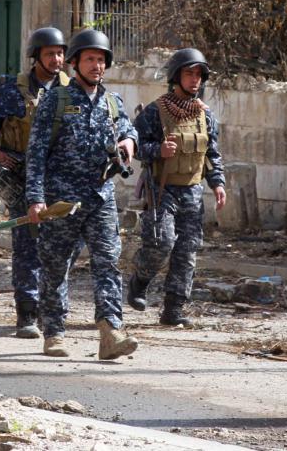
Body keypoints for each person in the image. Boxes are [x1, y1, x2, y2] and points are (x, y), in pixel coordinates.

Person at [24, 29, 139, 360]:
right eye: (89, 59)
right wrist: (35, 198)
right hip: (62, 200)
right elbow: (36, 153)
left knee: (108, 262)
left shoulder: (112, 102)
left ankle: (110, 331)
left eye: (101, 59)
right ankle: (54, 332)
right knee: (56, 266)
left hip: (101, 197)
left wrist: (129, 142)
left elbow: (127, 128)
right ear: (74, 63)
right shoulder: (56, 100)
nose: (96, 65)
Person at [0, 27, 69, 338]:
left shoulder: (72, 90)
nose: (56, 59)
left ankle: (53, 309)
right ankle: (26, 313)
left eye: (60, 53)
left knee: (61, 245)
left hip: (60, 179)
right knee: (27, 245)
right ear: (36, 57)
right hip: (22, 176)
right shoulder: (13, 91)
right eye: (50, 54)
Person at [127, 48, 226, 327]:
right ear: (176, 76)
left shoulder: (205, 115)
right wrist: (157, 150)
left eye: (198, 75)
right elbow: (133, 146)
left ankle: (174, 309)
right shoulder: (155, 111)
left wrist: (218, 183)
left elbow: (212, 154)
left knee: (187, 249)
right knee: (161, 242)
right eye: (189, 73)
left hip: (192, 190)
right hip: (162, 189)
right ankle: (140, 280)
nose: (195, 80)